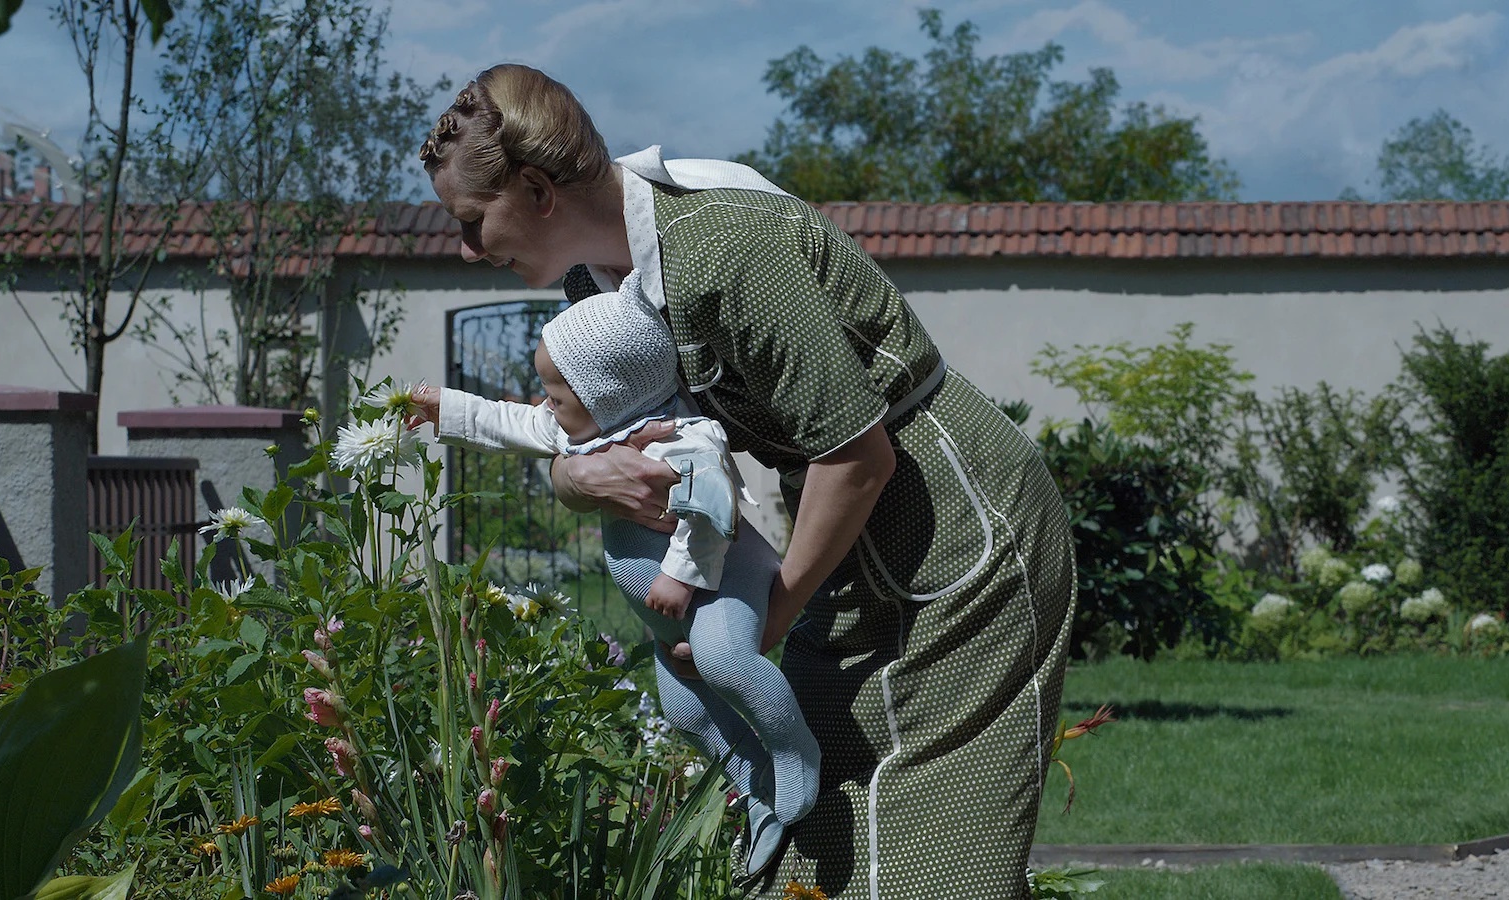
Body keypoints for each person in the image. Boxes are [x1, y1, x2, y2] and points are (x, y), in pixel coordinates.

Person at [414, 63, 1077, 899]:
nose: (469, 250)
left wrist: (771, 616)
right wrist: (577, 482)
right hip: (840, 538)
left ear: (539, 190)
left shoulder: (728, 250)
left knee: (935, 858)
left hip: (953, 526)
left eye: (474, 222)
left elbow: (857, 458)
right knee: (810, 824)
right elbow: (586, 441)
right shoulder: (596, 285)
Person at [415, 273, 820, 876]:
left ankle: (795, 757)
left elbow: (713, 509)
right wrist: (443, 408)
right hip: (668, 613)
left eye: (557, 393)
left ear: (605, 391)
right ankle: (755, 784)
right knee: (683, 710)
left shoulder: (683, 438)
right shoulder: (590, 432)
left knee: (724, 658)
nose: (544, 402)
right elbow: (509, 423)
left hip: (720, 582)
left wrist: (680, 576)